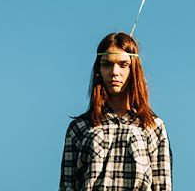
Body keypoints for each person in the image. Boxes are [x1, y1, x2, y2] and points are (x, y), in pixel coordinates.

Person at [60, 32, 172, 191]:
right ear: (98, 69)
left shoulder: (153, 127)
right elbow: (67, 186)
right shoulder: (79, 128)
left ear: (134, 69)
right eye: (107, 64)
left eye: (123, 64)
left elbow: (162, 187)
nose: (114, 71)